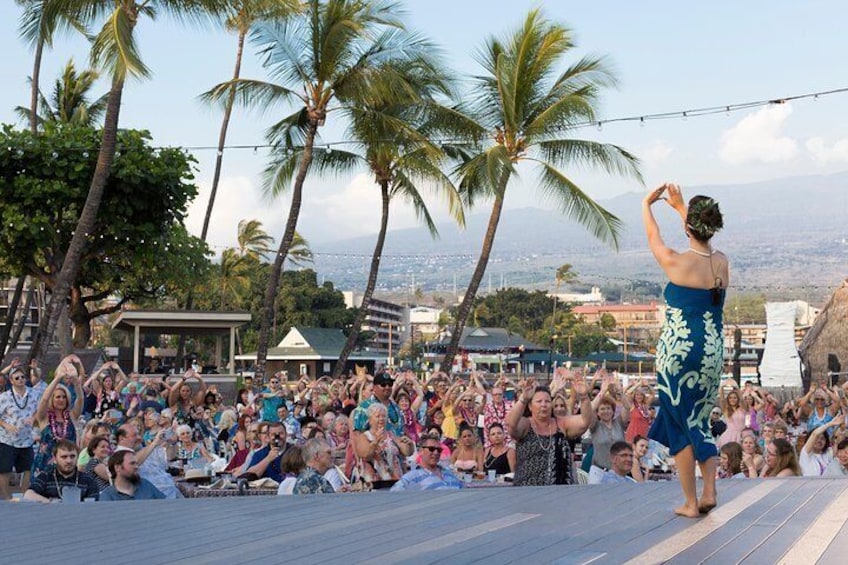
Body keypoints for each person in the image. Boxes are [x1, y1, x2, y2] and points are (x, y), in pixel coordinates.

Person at [643, 183, 728, 518]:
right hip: (711, 350)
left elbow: (653, 237)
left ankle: (691, 502)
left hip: (678, 351)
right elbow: (703, 243)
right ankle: (709, 489)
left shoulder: (675, 262)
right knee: (700, 418)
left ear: (690, 226)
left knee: (679, 420)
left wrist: (646, 206)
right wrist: (684, 210)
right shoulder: (721, 263)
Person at [507, 378, 592, 486]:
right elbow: (511, 425)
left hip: (560, 491)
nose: (544, 404)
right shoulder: (526, 424)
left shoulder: (561, 423)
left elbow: (585, 422)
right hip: (528, 492)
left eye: (547, 401)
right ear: (530, 406)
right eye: (539, 401)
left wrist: (584, 397)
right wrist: (523, 399)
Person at [32, 356, 85, 475]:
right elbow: (44, 399)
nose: (61, 400)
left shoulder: (72, 415)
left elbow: (80, 398)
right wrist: (58, 378)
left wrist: (76, 380)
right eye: (58, 397)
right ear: (52, 399)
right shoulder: (44, 417)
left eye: (64, 397)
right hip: (45, 465)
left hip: (68, 465)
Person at [352, 402, 413, 488]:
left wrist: (409, 444)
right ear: (369, 420)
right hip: (373, 484)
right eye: (377, 416)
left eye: (384, 416)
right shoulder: (364, 437)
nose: (381, 419)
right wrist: (375, 442)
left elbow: (407, 452)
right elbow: (365, 454)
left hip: (394, 482)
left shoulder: (391, 435)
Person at [0, 364, 39, 499]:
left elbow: (40, 410)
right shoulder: (5, 397)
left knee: (27, 469)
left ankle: (24, 495)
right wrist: (6, 425)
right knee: (5, 470)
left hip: (27, 439)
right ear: (11, 380)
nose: (21, 380)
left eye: (23, 377)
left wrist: (33, 418)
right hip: (7, 439)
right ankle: (7, 498)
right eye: (17, 378)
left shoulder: (34, 393)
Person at [23, 439, 99, 502]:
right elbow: (28, 494)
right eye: (64, 457)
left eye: (72, 456)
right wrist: (50, 503)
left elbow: (94, 505)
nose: (69, 461)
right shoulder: (46, 476)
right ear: (55, 459)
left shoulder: (88, 480)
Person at [391, 432, 464, 491]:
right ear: (420, 451)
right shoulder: (412, 477)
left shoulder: (450, 473)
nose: (436, 453)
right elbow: (394, 494)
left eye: (439, 450)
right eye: (431, 449)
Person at [100, 450, 166, 501]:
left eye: (136, 463)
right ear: (117, 468)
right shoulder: (108, 496)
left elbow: (165, 505)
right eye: (132, 463)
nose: (137, 467)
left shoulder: (145, 484)